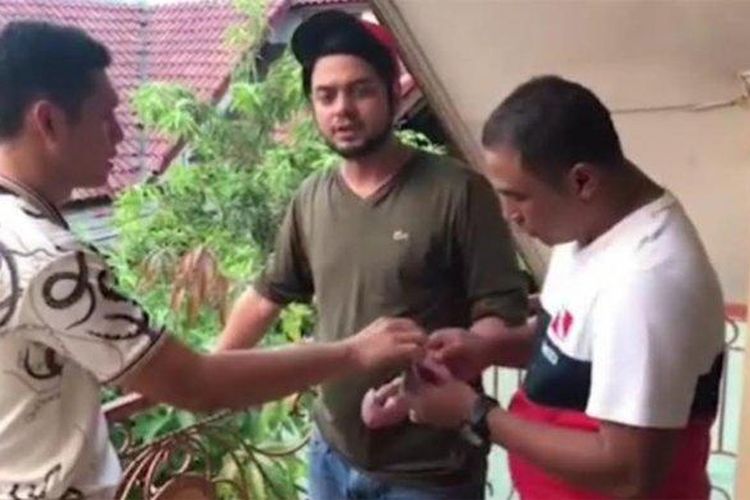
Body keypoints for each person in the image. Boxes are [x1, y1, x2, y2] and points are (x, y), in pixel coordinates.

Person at [0, 21, 427, 500]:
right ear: (49, 122)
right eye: (106, 117)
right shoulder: (47, 260)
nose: (121, 135)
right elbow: (196, 383)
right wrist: (355, 352)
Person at [216, 9, 528, 500]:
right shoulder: (311, 197)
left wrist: (439, 372)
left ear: (391, 92)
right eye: (326, 96)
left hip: (428, 470)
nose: (342, 109)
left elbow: (501, 318)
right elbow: (265, 297)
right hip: (331, 454)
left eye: (359, 91)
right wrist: (209, 373)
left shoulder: (458, 191)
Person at [407, 75, 725, 499]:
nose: (509, 214)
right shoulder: (586, 227)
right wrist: (487, 349)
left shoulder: (645, 283)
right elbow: (570, 347)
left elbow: (629, 473)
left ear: (582, 181)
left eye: (517, 196)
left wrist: (476, 412)